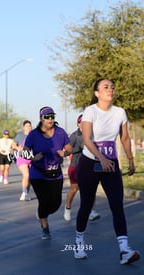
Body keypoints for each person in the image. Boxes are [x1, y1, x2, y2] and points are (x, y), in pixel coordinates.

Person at [73, 78, 139, 264]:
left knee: (117, 205)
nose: (110, 89)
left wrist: (131, 160)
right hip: (90, 164)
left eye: (112, 87)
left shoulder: (120, 112)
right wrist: (101, 158)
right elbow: (86, 139)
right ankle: (79, 243)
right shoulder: (90, 111)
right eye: (105, 87)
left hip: (110, 165)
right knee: (86, 205)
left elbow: (124, 138)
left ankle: (124, 250)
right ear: (96, 93)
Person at [23, 106, 72, 240]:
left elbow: (69, 147)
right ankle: (45, 228)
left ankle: (41, 214)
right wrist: (33, 157)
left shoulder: (60, 132)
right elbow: (24, 152)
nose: (50, 119)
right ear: (41, 118)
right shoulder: (33, 134)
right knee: (44, 201)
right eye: (47, 117)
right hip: (38, 173)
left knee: (56, 203)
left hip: (56, 173)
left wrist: (65, 152)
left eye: (52, 117)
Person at [64, 114, 100, 221]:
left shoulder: (92, 135)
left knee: (91, 189)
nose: (83, 124)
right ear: (78, 123)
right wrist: (81, 147)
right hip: (75, 165)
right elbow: (68, 150)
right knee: (74, 188)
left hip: (89, 165)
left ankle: (92, 211)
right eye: (81, 122)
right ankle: (68, 207)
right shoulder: (74, 136)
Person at [13, 120, 32, 201]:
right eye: (27, 126)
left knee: (30, 178)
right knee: (26, 175)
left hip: (31, 159)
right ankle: (24, 193)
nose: (29, 127)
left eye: (30, 126)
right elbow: (13, 144)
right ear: (24, 127)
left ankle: (26, 193)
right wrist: (18, 148)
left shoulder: (34, 135)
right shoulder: (20, 135)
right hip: (22, 158)